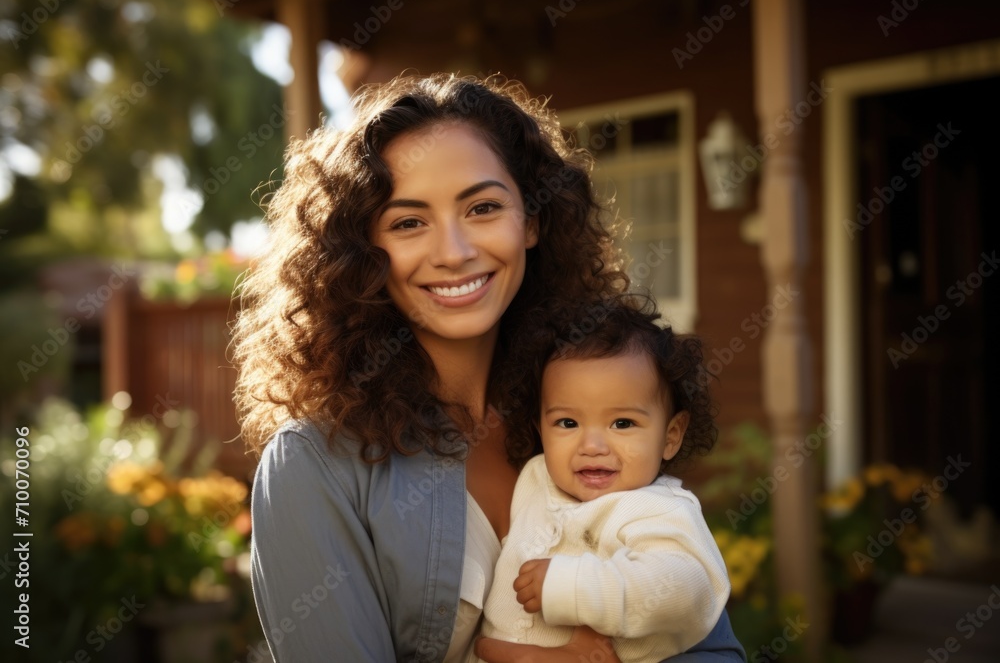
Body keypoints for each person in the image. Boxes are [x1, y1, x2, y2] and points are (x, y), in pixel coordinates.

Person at [232, 72, 746, 663]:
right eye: (408, 222)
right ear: (363, 252)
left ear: (531, 220)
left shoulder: (589, 406)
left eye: (483, 207)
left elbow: (708, 640)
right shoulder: (314, 465)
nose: (454, 252)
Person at [477, 299, 729, 663]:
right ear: (540, 429)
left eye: (622, 423)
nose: (592, 446)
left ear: (671, 435)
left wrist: (573, 587)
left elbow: (684, 589)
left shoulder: (660, 510)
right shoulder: (535, 478)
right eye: (567, 423)